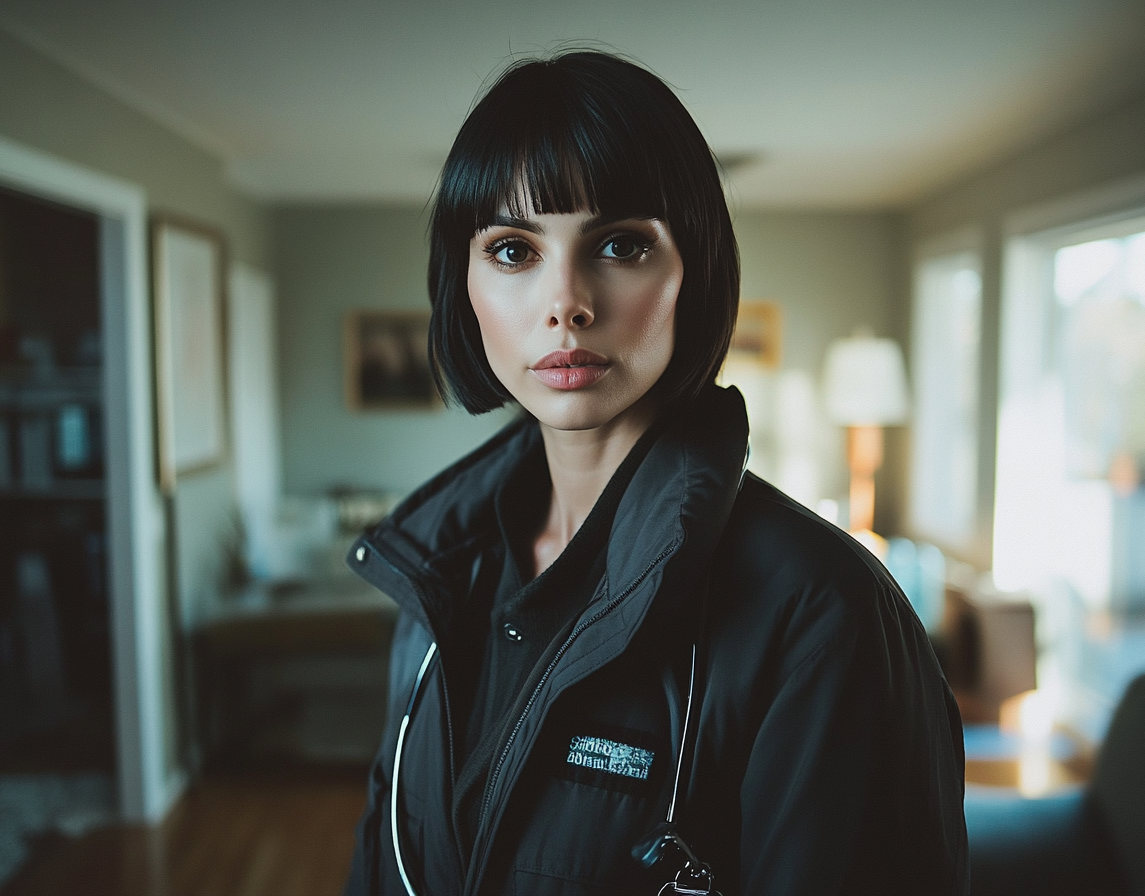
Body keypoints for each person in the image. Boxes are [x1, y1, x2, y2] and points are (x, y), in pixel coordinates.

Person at [342, 50, 968, 896]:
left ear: (693, 272)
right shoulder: (436, 574)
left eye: (620, 243)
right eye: (514, 250)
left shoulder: (822, 611)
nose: (565, 301)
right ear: (464, 286)